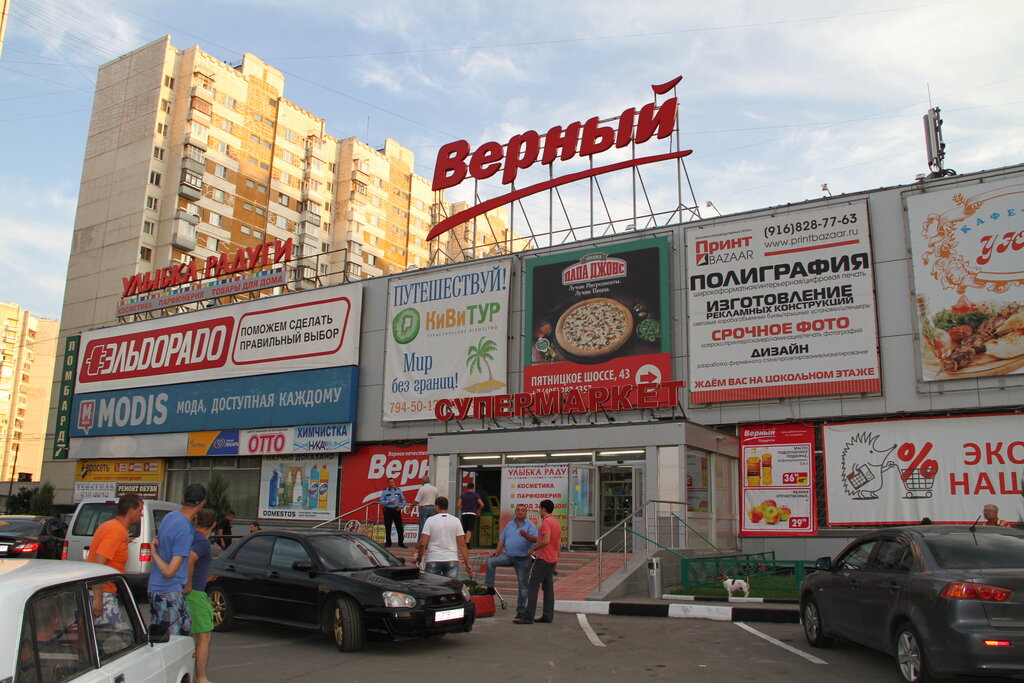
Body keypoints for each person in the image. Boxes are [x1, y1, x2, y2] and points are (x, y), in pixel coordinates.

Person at [148, 483, 206, 635]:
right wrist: (154, 553)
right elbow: (169, 571)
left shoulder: (170, 517)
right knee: (171, 641)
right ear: (202, 503)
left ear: (183, 498)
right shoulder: (184, 530)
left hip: (158, 588)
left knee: (184, 630)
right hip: (168, 591)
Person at [86, 493, 143, 625]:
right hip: (103, 593)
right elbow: (98, 564)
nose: (141, 515)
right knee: (117, 635)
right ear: (131, 511)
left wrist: (123, 542)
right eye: (140, 511)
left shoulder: (111, 526)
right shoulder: (116, 531)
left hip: (101, 592)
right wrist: (98, 598)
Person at [484, 503, 538, 621]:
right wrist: (497, 551)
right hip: (508, 556)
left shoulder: (530, 526)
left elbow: (536, 540)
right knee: (490, 561)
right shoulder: (510, 524)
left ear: (526, 513)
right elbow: (502, 539)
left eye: (522, 510)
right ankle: (490, 586)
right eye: (518, 510)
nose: (520, 512)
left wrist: (526, 536)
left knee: (523, 586)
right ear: (515, 512)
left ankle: (521, 611)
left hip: (523, 559)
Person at [515, 499, 560, 624]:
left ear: (543, 509)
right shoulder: (555, 522)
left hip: (543, 558)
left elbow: (545, 540)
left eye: (540, 509)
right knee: (548, 588)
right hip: (551, 558)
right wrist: (556, 559)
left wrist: (532, 550)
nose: (539, 511)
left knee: (533, 586)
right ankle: (547, 615)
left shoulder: (546, 522)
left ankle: (528, 616)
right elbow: (557, 543)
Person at [187, 509, 217, 683]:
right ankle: (201, 678)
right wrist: (189, 584)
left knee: (185, 636)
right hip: (195, 592)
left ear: (195, 521)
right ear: (213, 525)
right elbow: (191, 559)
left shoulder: (188, 536)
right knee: (204, 636)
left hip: (183, 590)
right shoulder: (202, 542)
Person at [416, 496, 473, 579]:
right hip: (451, 559)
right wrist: (467, 563)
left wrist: (419, 557)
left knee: (432, 586)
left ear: (436, 507)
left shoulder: (430, 520)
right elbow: (462, 544)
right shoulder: (456, 520)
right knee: (451, 585)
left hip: (434, 558)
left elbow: (422, 543)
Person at [379, 477, 407, 547]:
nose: (392, 484)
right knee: (388, 527)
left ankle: (401, 543)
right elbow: (381, 501)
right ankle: (388, 543)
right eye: (390, 482)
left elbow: (403, 500)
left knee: (399, 527)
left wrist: (401, 506)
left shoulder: (398, 491)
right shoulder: (385, 491)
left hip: (396, 510)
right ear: (388, 483)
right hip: (388, 510)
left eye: (393, 482)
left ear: (394, 483)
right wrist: (388, 502)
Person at [457, 482, 484, 548]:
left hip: (464, 513)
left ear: (467, 487)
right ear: (473, 487)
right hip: (472, 513)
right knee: (469, 529)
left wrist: (462, 509)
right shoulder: (475, 495)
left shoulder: (463, 495)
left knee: (464, 529)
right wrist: (478, 510)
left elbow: (458, 504)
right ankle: (467, 543)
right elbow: (482, 504)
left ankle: (463, 544)